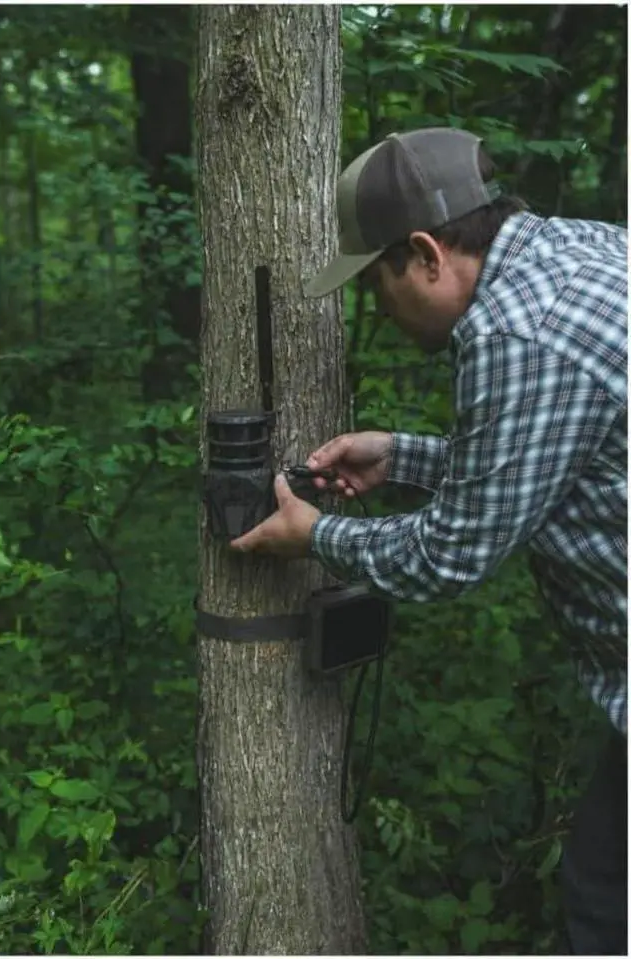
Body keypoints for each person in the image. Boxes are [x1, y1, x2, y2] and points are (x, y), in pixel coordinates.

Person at [229, 127, 627, 954]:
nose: (380, 305)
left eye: (377, 280)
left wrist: (316, 536)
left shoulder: (515, 336)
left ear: (425, 254)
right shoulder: (587, 252)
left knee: (604, 896)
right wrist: (402, 454)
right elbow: (557, 459)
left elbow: (454, 554)